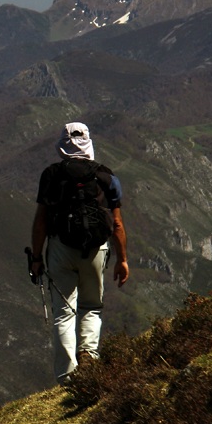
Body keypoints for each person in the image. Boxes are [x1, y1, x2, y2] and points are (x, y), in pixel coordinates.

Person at [29, 122, 129, 384]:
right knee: (92, 306)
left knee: (64, 312)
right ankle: (89, 358)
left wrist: (37, 258)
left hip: (60, 249)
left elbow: (41, 220)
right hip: (96, 250)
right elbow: (117, 223)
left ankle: (67, 377)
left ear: (62, 144)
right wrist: (123, 260)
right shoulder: (106, 176)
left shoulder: (51, 175)